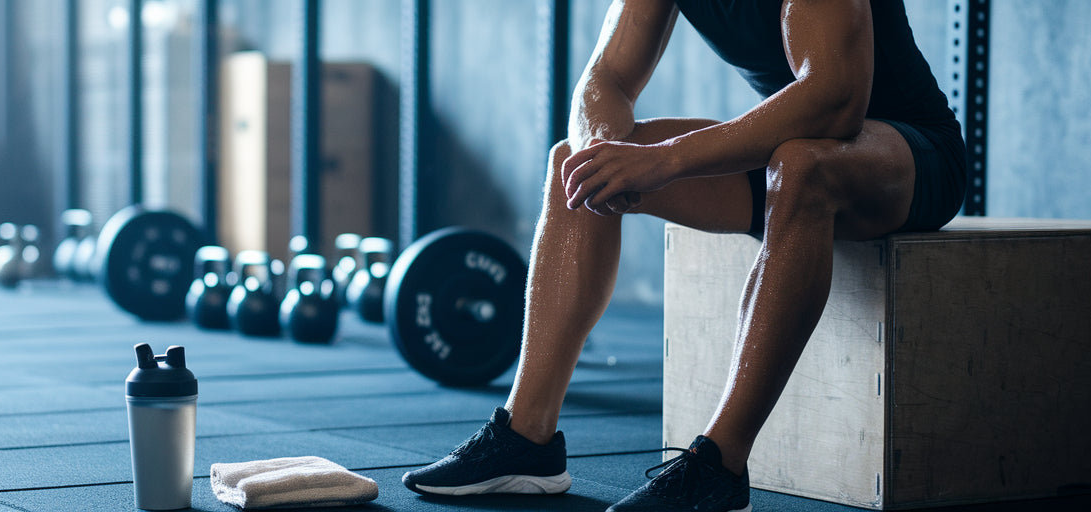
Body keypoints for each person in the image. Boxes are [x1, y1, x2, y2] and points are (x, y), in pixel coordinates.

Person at [401, 0, 966, 510]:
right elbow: (605, 80)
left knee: (802, 167)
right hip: (788, 150)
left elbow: (835, 98)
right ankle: (527, 440)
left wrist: (668, 159)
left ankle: (720, 466)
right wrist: (603, 148)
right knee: (573, 168)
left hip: (909, 155)